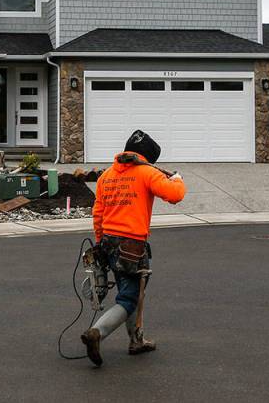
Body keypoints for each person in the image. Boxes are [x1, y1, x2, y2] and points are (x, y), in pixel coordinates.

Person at [81, 130, 186, 367]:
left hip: (108, 242)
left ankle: (136, 340)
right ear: (147, 157)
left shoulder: (106, 176)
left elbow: (98, 213)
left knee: (130, 292)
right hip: (132, 246)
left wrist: (100, 243)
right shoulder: (147, 172)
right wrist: (177, 178)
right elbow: (175, 194)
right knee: (130, 297)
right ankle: (97, 332)